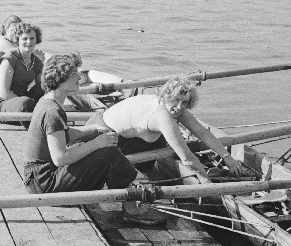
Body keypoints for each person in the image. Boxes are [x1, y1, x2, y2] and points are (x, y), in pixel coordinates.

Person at [23, 53, 167, 225]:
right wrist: (97, 144)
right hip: (45, 184)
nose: (79, 77)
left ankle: (123, 187)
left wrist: (92, 130)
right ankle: (132, 210)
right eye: (73, 75)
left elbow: (64, 134)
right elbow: (60, 158)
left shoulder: (47, 101)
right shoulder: (52, 112)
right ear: (60, 80)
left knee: (100, 143)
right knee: (110, 154)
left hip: (37, 177)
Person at [86, 75, 249, 178]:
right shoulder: (161, 114)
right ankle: (132, 173)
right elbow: (187, 158)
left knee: (162, 139)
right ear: (166, 96)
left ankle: (142, 169)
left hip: (122, 135)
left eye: (184, 102)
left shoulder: (177, 109)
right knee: (167, 140)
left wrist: (226, 157)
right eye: (175, 100)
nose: (179, 107)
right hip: (100, 134)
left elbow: (201, 132)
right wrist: (208, 179)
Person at [0, 16, 46, 98]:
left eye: (18, 29)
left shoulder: (14, 43)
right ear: (5, 30)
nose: (16, 32)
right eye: (13, 30)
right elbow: (24, 52)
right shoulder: (1, 42)